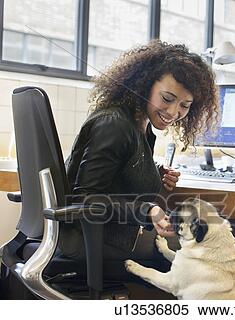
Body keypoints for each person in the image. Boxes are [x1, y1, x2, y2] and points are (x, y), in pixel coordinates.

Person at [61, 40, 219, 262]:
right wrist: (146, 210)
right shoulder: (114, 124)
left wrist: (153, 171)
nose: (174, 112)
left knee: (202, 244)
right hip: (89, 243)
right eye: (167, 99)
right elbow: (84, 200)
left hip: (110, 236)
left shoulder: (140, 125)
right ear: (144, 85)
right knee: (206, 252)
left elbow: (119, 167)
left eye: (185, 105)